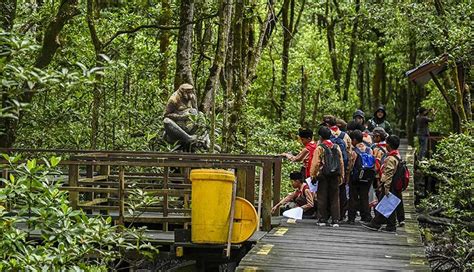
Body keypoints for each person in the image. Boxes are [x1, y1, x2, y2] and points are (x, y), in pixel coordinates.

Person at [362, 135, 403, 233]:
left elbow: (388, 174)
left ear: (389, 145)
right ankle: (390, 225)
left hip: (390, 184)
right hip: (395, 184)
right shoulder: (397, 155)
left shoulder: (390, 158)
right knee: (389, 205)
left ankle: (376, 224)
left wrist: (386, 187)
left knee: (384, 204)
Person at [310, 126, 344, 227]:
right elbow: (341, 162)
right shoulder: (336, 146)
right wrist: (341, 175)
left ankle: (322, 219)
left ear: (320, 136)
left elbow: (316, 163)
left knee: (322, 196)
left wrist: (313, 175)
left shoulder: (320, 148)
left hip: (323, 175)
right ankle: (335, 220)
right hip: (335, 175)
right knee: (334, 197)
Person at [321, 115, 352, 221]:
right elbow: (349, 153)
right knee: (340, 191)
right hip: (339, 168)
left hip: (325, 170)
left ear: (327, 124)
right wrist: (346, 170)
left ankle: (325, 215)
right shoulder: (345, 136)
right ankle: (340, 215)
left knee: (324, 192)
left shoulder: (324, 136)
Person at [346, 130, 375, 224]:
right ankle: (366, 216)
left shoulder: (353, 151)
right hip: (367, 177)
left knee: (353, 197)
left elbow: (350, 166)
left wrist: (347, 176)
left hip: (355, 178)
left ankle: (351, 218)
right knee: (364, 196)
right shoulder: (369, 149)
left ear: (354, 139)